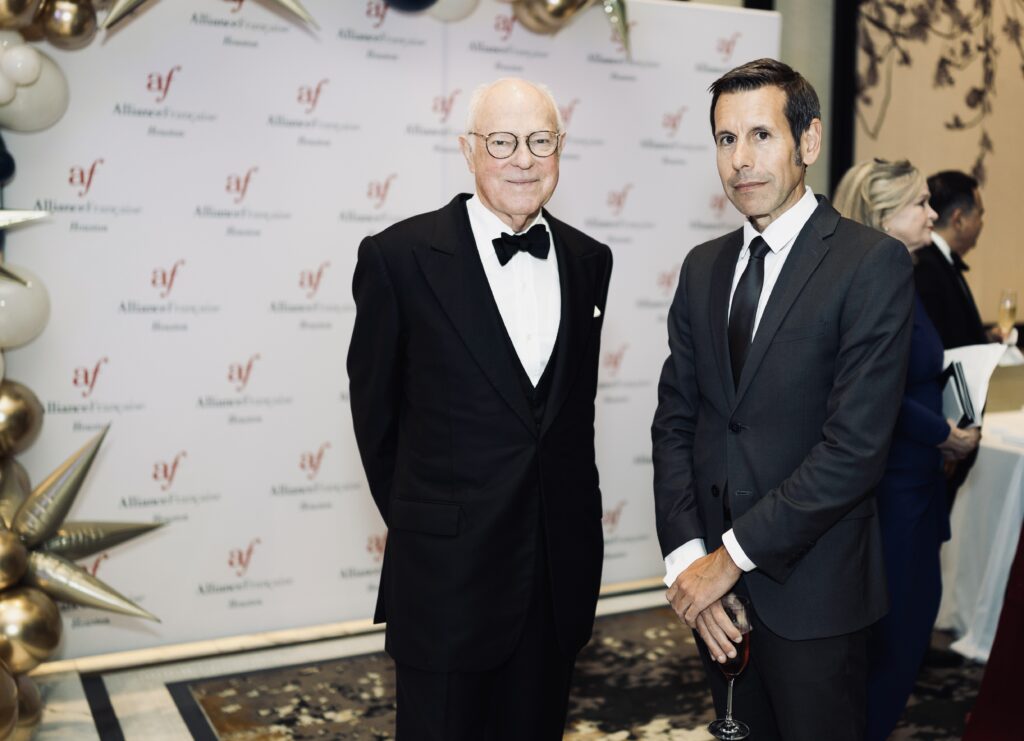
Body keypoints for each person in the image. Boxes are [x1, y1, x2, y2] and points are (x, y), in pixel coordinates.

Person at [652, 59, 914, 740]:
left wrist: (728, 557)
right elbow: (677, 422)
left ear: (809, 142)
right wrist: (689, 567)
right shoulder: (703, 267)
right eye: (724, 139)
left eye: (761, 135)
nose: (741, 159)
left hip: (815, 598)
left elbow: (853, 451)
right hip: (716, 602)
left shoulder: (870, 264)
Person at [346, 78, 613, 741]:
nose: (523, 158)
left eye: (540, 141)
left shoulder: (589, 260)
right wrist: (433, 522)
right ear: (470, 150)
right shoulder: (399, 258)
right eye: (503, 141)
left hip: (556, 579)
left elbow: (568, 421)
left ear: (561, 148)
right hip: (446, 582)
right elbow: (375, 421)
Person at [832, 158, 981, 741]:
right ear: (883, 215)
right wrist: (944, 434)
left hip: (915, 483)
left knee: (899, 642)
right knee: (894, 644)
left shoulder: (903, 276)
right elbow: (877, 394)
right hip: (892, 489)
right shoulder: (876, 281)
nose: (930, 213)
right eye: (918, 203)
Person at [915, 170, 997, 348]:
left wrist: (986, 339)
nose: (981, 224)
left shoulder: (940, 260)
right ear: (958, 219)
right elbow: (939, 342)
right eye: (979, 215)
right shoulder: (926, 267)